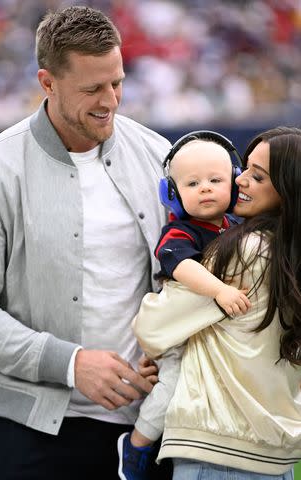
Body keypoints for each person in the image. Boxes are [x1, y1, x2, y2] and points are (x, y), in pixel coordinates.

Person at [0, 5, 173, 480]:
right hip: (28, 427)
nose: (110, 100)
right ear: (47, 83)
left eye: (117, 83)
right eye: (92, 89)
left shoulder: (159, 155)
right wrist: (71, 364)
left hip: (145, 428)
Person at [133, 126, 301, 479]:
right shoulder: (289, 253)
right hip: (273, 452)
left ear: (286, 190)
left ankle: (134, 447)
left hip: (221, 453)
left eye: (256, 176)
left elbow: (153, 326)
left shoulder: (244, 251)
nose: (240, 182)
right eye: (244, 172)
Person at [117, 132, 251, 480]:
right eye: (192, 183)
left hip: (210, 337)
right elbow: (182, 267)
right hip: (179, 334)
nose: (205, 188)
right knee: (173, 387)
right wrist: (220, 290)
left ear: (235, 186)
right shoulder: (180, 232)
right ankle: (138, 443)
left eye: (215, 180)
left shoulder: (236, 227)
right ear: (171, 195)